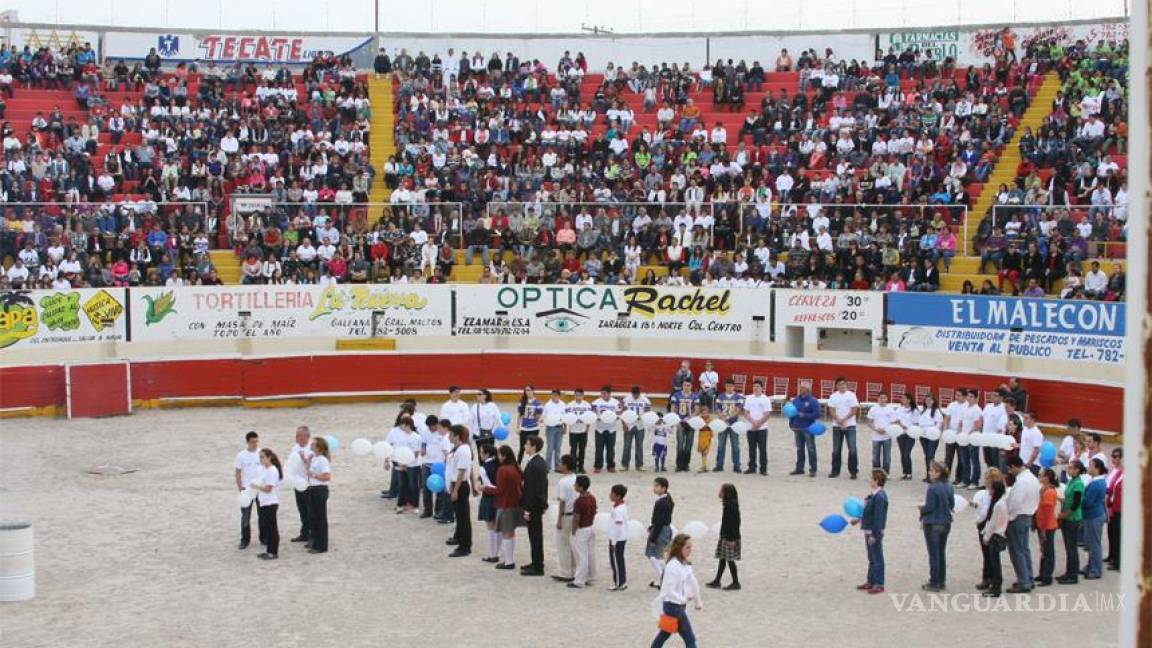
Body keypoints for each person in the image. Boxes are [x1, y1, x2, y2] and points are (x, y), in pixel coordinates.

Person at [651, 533, 703, 648]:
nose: (690, 550)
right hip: (673, 607)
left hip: (676, 606)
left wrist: (697, 601)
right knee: (690, 638)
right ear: (680, 548)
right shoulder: (673, 566)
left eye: (691, 547)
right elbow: (668, 590)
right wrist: (683, 599)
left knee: (664, 634)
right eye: (687, 547)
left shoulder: (684, 563)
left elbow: (693, 581)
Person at [484, 446, 524, 570]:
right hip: (515, 504)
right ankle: (509, 560)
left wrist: (485, 488)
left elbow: (499, 490)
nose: (498, 457)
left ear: (504, 456)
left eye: (500, 455)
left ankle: (509, 561)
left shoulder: (502, 470)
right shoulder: (516, 468)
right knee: (511, 533)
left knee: (507, 533)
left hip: (505, 504)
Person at [1003, 456, 1039, 592]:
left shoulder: (1022, 482)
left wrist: (1009, 516)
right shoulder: (1032, 479)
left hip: (1018, 517)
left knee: (1017, 550)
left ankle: (1023, 581)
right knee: (1024, 549)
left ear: (1013, 466)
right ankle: (1028, 578)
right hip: (1028, 515)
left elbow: (1015, 502)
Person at [851, 469, 888, 594]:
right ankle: (871, 580)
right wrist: (859, 520)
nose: (869, 480)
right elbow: (870, 514)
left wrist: (874, 534)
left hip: (873, 531)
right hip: (869, 530)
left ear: (877, 480)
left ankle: (879, 583)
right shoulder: (875, 495)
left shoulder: (879, 497)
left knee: (877, 557)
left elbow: (878, 518)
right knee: (872, 557)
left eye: (871, 478)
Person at [919, 461, 954, 591]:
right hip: (946, 522)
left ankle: (934, 581)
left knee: (933, 553)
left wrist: (921, 508)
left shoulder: (932, 488)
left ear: (938, 473)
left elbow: (930, 507)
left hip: (933, 523)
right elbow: (951, 504)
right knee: (941, 552)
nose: (930, 472)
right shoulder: (949, 486)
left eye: (932, 471)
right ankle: (941, 580)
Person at [520, 436, 548, 576]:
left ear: (534, 447)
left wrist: (527, 509)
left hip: (534, 505)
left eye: (527, 444)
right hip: (537, 503)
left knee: (535, 535)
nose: (525, 446)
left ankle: (538, 566)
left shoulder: (535, 465)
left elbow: (532, 490)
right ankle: (535, 562)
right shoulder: (537, 462)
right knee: (534, 535)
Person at [706, 483, 742, 591]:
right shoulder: (729, 505)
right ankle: (717, 580)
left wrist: (731, 539)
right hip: (726, 536)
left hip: (730, 537)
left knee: (730, 560)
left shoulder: (730, 506)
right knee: (723, 558)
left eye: (721, 490)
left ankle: (736, 582)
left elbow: (734, 524)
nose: (719, 492)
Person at [973, 468, 1004, 591]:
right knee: (988, 554)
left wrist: (978, 522)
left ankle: (989, 578)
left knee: (988, 554)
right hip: (990, 525)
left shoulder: (991, 496)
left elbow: (985, 513)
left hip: (987, 525)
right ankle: (989, 578)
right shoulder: (992, 494)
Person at [447, 425, 475, 557]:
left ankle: (465, 546)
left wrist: (456, 490)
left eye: (451, 434)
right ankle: (459, 537)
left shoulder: (463, 450)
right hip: (457, 484)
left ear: (457, 436)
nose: (448, 436)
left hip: (460, 485)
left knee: (463, 517)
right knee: (459, 515)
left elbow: (462, 471)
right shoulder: (458, 448)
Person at [1056, 460, 1085, 583]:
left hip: (1072, 518)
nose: (1068, 469)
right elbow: (1068, 497)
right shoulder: (1071, 481)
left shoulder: (1078, 483)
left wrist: (1063, 515)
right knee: (1068, 547)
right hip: (1067, 517)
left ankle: (1073, 575)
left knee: (1072, 547)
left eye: (1071, 467)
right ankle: (1069, 572)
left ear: (1077, 470)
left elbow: (1076, 504)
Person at [980, 480, 1009, 597]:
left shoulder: (998, 504)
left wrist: (986, 536)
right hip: (1001, 532)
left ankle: (996, 587)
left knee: (995, 562)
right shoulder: (1003, 502)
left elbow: (992, 523)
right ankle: (996, 585)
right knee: (995, 561)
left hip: (995, 534)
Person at [234, 431, 264, 550]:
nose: (255, 444)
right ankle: (245, 540)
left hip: (260, 488)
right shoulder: (241, 455)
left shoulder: (262, 453)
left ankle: (264, 537)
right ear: (247, 442)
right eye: (252, 442)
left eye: (256, 441)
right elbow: (238, 472)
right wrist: (240, 487)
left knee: (262, 515)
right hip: (247, 489)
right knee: (245, 516)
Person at [252, 448, 283, 560]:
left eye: (262, 457)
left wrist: (256, 487)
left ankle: (273, 552)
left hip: (270, 502)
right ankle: (269, 550)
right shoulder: (264, 469)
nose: (261, 459)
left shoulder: (272, 470)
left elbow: (269, 488)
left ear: (269, 457)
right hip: (264, 502)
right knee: (267, 527)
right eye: (260, 457)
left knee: (272, 527)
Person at [827, 377, 860, 479]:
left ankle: (853, 471)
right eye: (839, 384)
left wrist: (844, 419)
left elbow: (854, 410)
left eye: (843, 384)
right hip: (837, 425)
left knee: (852, 449)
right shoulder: (833, 396)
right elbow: (831, 410)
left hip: (850, 425)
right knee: (836, 449)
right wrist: (838, 419)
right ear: (836, 386)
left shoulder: (852, 395)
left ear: (846, 384)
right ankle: (835, 470)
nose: (841, 386)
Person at [552, 454, 578, 583]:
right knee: (572, 544)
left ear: (566, 465)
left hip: (566, 514)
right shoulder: (576, 478)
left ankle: (565, 572)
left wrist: (559, 519)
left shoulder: (563, 481)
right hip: (576, 515)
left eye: (561, 463)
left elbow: (562, 501)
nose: (559, 465)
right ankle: (573, 569)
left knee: (563, 544)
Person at [568, 475, 597, 588]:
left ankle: (579, 580)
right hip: (590, 526)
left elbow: (576, 518)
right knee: (590, 554)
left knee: (581, 556)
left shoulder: (579, 501)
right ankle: (591, 576)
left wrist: (574, 530)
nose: (574, 486)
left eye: (576, 484)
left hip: (581, 529)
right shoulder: (592, 498)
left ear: (580, 487)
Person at [1082, 457, 1108, 580]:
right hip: (1095, 515)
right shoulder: (1098, 481)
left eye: (1091, 466)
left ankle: (1095, 569)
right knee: (1093, 543)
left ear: (1096, 468)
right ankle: (1091, 566)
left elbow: (1087, 502)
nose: (1088, 467)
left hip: (1093, 516)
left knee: (1094, 544)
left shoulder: (1096, 484)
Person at [421, 416, 451, 521]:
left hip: (438, 464)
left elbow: (446, 451)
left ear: (437, 424)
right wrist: (423, 448)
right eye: (428, 426)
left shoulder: (443, 434)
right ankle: (427, 510)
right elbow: (423, 442)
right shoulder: (425, 432)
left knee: (440, 489)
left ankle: (438, 511)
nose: (430, 428)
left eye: (432, 426)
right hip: (426, 463)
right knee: (426, 488)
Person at [647, 477, 675, 587]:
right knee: (659, 555)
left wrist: (653, 536)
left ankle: (663, 577)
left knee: (653, 555)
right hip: (665, 528)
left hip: (660, 530)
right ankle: (661, 578)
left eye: (656, 486)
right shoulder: (668, 498)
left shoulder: (661, 503)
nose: (654, 488)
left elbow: (658, 521)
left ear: (663, 488)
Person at [306, 436, 332, 554]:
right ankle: (315, 542)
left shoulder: (322, 460)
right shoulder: (315, 458)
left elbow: (327, 476)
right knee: (314, 517)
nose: (311, 445)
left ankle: (321, 545)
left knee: (320, 518)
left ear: (319, 448)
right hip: (313, 488)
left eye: (313, 444)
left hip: (320, 489)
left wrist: (315, 476)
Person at [788, 382, 821, 477]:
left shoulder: (813, 401)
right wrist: (791, 423)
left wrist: (805, 415)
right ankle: (799, 468)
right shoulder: (795, 400)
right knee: (799, 449)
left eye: (802, 388)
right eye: (800, 387)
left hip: (808, 428)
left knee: (811, 449)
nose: (800, 389)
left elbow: (817, 414)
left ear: (808, 390)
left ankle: (813, 469)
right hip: (797, 427)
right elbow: (791, 412)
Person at [288, 426, 314, 544]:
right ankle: (304, 534)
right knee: (302, 510)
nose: (296, 437)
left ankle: (312, 535)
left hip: (308, 484)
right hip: (297, 482)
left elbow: (313, 466)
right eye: (296, 435)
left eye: (299, 435)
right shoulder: (295, 447)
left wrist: (305, 460)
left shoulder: (312, 448)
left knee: (310, 511)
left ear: (307, 437)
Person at [712, 380, 744, 473]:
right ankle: (719, 465)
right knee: (721, 445)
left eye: (731, 386)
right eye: (727, 386)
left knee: (735, 445)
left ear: (734, 387)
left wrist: (728, 418)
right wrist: (723, 418)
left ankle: (737, 465)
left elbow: (738, 410)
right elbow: (718, 410)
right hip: (723, 423)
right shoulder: (720, 397)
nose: (729, 387)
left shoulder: (738, 397)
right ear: (725, 386)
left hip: (734, 424)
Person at [476, 443, 501, 563]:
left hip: (489, 497)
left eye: (481, 452)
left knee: (491, 527)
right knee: (498, 526)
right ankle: (498, 552)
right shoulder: (499, 464)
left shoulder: (483, 467)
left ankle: (492, 554)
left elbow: (487, 485)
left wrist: (481, 487)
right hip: (500, 497)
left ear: (487, 454)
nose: (480, 455)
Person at [1035, 469, 1060, 586]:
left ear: (1046, 477)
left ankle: (1047, 576)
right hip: (1043, 524)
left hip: (1048, 525)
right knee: (1044, 550)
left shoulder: (1049, 492)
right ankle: (1043, 573)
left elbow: (1048, 512)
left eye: (1041, 475)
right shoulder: (1043, 490)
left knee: (1048, 551)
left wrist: (1043, 529)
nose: (1039, 477)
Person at [741, 380, 771, 475]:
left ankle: (763, 469)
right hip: (750, 427)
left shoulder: (765, 399)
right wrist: (753, 422)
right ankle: (752, 467)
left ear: (762, 388)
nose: (755, 388)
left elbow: (767, 414)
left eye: (758, 386)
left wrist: (758, 423)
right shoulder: (749, 398)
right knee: (751, 448)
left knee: (762, 449)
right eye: (754, 386)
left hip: (762, 428)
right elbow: (745, 412)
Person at [669, 382, 698, 472]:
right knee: (680, 445)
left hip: (690, 423)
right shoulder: (676, 395)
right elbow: (672, 408)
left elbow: (696, 410)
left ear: (691, 386)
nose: (687, 387)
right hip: (680, 422)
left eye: (689, 385)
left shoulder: (695, 396)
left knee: (688, 445)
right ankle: (679, 465)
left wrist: (690, 417)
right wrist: (675, 420)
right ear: (682, 386)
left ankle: (686, 465)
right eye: (685, 385)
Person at [621, 386, 652, 471]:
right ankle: (625, 465)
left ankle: (639, 465)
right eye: (634, 394)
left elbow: (648, 413)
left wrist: (643, 418)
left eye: (637, 394)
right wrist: (623, 424)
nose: (635, 396)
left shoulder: (645, 400)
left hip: (640, 425)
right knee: (627, 446)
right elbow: (622, 413)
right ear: (632, 393)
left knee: (639, 446)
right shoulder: (626, 400)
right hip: (629, 425)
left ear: (639, 393)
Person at [592, 385, 622, 474]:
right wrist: (597, 417)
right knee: (599, 448)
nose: (602, 395)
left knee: (611, 449)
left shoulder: (616, 402)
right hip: (600, 429)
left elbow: (619, 413)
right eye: (601, 393)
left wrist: (616, 417)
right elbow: (593, 414)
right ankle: (598, 466)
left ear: (609, 394)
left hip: (611, 429)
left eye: (604, 393)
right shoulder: (595, 402)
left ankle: (611, 466)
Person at [866, 393, 897, 474]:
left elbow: (894, 422)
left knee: (887, 457)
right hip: (876, 436)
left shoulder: (890, 409)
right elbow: (869, 422)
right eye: (881, 398)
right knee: (875, 456)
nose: (882, 400)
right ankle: (876, 473)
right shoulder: (873, 409)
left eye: (884, 398)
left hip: (887, 436)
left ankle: (886, 473)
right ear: (878, 399)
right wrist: (876, 429)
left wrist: (886, 429)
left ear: (887, 399)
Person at [607, 484, 630, 591]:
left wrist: (614, 542)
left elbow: (618, 526)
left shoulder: (619, 510)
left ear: (618, 496)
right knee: (619, 559)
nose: (610, 495)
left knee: (616, 561)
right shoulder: (618, 506)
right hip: (619, 538)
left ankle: (618, 583)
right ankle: (622, 581)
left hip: (617, 539)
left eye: (612, 494)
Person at [917, 393, 944, 481]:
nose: (928, 402)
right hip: (923, 436)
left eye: (930, 400)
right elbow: (919, 422)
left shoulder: (936, 411)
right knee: (927, 456)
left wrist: (932, 431)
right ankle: (929, 475)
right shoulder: (923, 410)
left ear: (934, 401)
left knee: (930, 455)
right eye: (927, 400)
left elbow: (939, 423)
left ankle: (934, 475)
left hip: (932, 436)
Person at [942, 388, 967, 480]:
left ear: (964, 396)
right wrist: (945, 430)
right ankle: (945, 477)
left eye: (959, 395)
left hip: (961, 436)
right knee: (948, 458)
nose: (956, 397)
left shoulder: (967, 406)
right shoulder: (952, 405)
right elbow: (947, 418)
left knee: (961, 458)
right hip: (951, 435)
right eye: (956, 395)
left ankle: (958, 478)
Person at [566, 389, 593, 473]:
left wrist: (587, 427)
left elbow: (589, 417)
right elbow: (567, 417)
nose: (578, 397)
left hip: (583, 430)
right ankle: (573, 467)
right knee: (573, 449)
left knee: (582, 449)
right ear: (574, 395)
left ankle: (581, 466)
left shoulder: (587, 405)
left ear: (583, 395)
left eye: (579, 395)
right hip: (573, 431)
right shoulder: (569, 405)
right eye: (576, 395)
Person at [1105, 448, 1123, 571]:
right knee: (1111, 533)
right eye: (1113, 456)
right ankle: (1112, 556)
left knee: (1117, 535)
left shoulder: (1124, 472)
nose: (1115, 459)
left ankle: (1117, 561)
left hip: (1120, 509)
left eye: (1118, 457)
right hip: (1112, 506)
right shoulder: (1115, 472)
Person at [516, 385, 544, 464]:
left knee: (533, 448)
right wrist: (518, 427)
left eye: (529, 390)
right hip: (524, 428)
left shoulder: (537, 403)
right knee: (522, 448)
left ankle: (532, 464)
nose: (527, 392)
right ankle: (518, 464)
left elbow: (538, 417)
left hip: (534, 429)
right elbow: (519, 416)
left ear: (533, 391)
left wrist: (539, 418)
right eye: (526, 390)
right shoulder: (522, 402)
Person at [542, 390, 568, 470]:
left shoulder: (563, 404)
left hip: (560, 427)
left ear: (559, 396)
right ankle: (547, 466)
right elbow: (544, 417)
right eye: (553, 395)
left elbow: (565, 417)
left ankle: (557, 466)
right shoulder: (547, 405)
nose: (554, 397)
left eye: (556, 395)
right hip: (550, 428)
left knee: (558, 448)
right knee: (550, 448)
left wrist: (565, 427)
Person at [894, 392, 917, 481]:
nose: (901, 400)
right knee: (902, 453)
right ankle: (904, 472)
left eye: (903, 398)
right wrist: (898, 424)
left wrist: (906, 427)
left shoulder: (914, 411)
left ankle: (909, 472)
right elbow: (895, 419)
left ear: (909, 400)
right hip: (900, 434)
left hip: (910, 434)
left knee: (907, 453)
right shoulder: (899, 409)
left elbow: (915, 423)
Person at [472, 389, 502, 455]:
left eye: (479, 394)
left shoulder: (492, 405)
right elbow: (471, 421)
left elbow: (498, 417)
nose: (477, 396)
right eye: (477, 394)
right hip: (478, 434)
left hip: (490, 434)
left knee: (490, 453)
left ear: (485, 396)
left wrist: (502, 428)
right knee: (480, 454)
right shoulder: (474, 406)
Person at [695, 405, 714, 473]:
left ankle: (704, 465)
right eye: (703, 413)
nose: (704, 414)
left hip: (707, 436)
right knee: (702, 451)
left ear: (708, 412)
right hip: (701, 436)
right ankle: (704, 465)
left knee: (705, 451)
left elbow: (709, 426)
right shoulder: (700, 419)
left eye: (706, 412)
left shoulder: (710, 419)